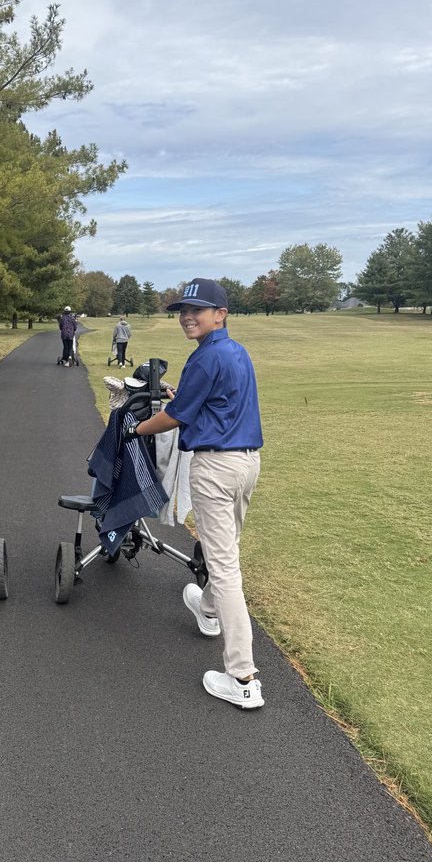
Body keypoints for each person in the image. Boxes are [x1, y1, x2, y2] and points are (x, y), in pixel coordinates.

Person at [126, 278, 265, 710]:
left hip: (215, 468)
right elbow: (212, 402)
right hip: (246, 464)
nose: (187, 317)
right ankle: (206, 610)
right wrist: (181, 395)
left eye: (197, 310)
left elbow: (174, 417)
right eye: (183, 311)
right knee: (226, 549)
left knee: (224, 568)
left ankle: (242, 678)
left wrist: (135, 429)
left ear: (220, 314)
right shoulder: (234, 351)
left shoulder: (204, 358)